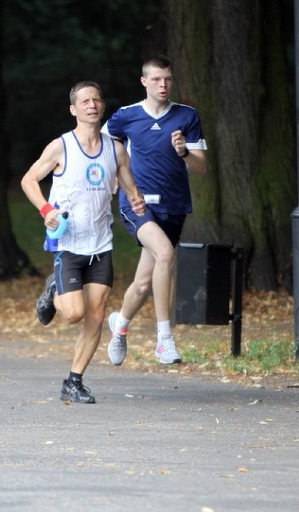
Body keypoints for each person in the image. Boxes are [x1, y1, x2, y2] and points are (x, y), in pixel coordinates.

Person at [21, 80, 145, 404]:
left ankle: (73, 381)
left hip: (101, 244)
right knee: (74, 314)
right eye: (85, 101)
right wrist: (45, 209)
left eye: (97, 99)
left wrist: (136, 199)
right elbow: (29, 179)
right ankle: (53, 289)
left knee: (96, 315)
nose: (92, 104)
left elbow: (128, 182)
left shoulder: (115, 148)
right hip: (69, 243)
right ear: (74, 110)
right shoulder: (61, 147)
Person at [101, 55, 207, 366]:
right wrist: (117, 184)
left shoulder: (187, 116)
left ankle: (119, 326)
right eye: (157, 79)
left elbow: (202, 167)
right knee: (166, 255)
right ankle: (165, 340)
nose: (163, 85)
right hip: (137, 203)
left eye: (168, 79)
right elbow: (105, 153)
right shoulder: (125, 117)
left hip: (174, 206)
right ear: (144, 81)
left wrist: (184, 151)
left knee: (145, 282)